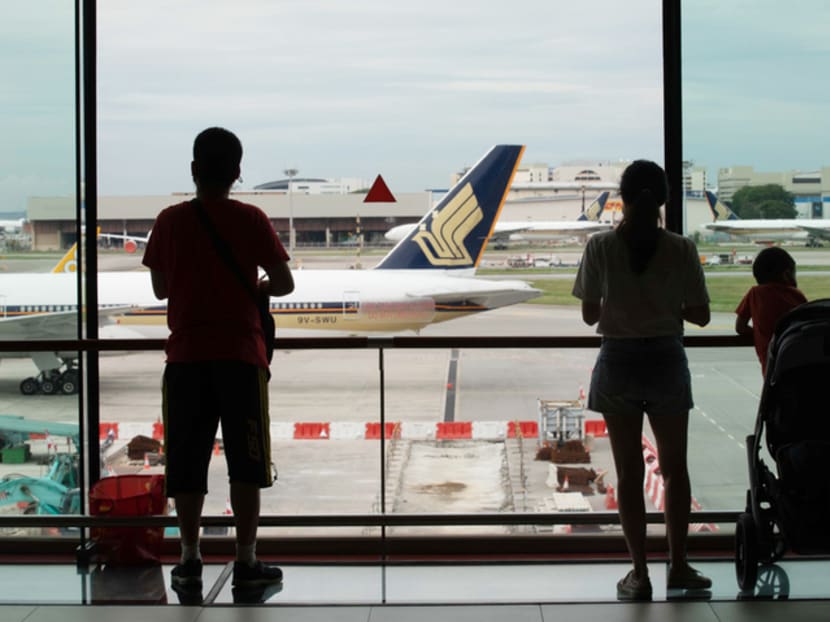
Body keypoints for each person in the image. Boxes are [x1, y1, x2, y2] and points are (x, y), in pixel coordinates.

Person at [142, 127, 294, 593]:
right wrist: (256, 288)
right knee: (247, 464)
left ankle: (189, 559)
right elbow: (284, 283)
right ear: (237, 173)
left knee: (186, 465)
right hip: (240, 360)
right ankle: (246, 561)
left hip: (186, 360)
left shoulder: (169, 221)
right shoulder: (251, 219)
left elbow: (160, 289)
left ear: (194, 169)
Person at [572, 160, 712, 601]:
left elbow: (589, 314)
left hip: (619, 361)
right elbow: (701, 315)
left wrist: (623, 303)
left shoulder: (600, 246)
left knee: (629, 472)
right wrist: (665, 306)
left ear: (624, 198)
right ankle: (680, 565)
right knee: (675, 470)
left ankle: (639, 573)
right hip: (666, 359)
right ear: (665, 199)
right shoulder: (681, 248)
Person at [735, 246, 807, 377]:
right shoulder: (796, 295)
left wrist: (761, 335)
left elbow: (740, 327)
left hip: (771, 367)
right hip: (798, 363)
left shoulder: (755, 294)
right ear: (786, 274)